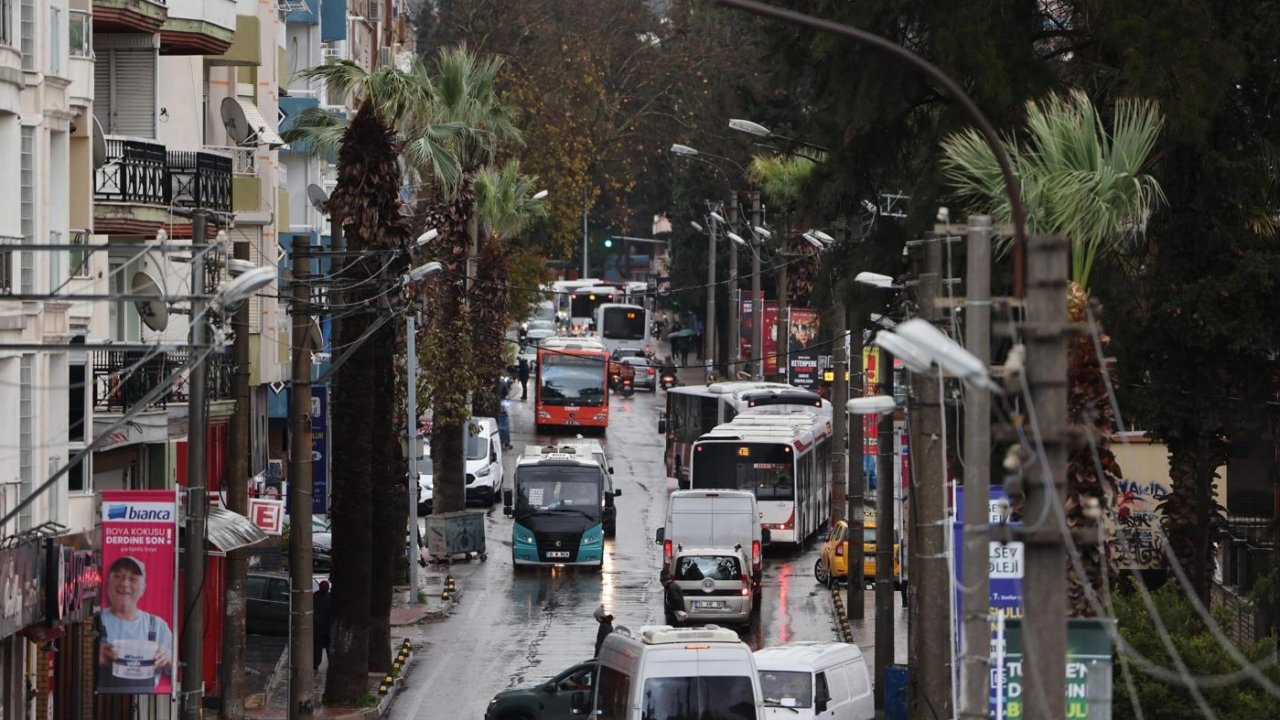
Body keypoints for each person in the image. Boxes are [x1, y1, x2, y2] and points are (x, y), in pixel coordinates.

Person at [97, 556, 174, 693]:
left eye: (132, 579)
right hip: (103, 705)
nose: (124, 584)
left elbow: (183, 671)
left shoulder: (157, 626)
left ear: (144, 588)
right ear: (108, 582)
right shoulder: (94, 621)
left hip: (145, 702)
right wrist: (98, 656)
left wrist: (168, 657)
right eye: (118, 576)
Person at [314, 580, 333, 670]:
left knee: (318, 646)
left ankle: (316, 663)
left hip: (318, 626)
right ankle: (330, 663)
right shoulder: (330, 598)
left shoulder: (315, 596)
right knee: (328, 646)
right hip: (326, 626)